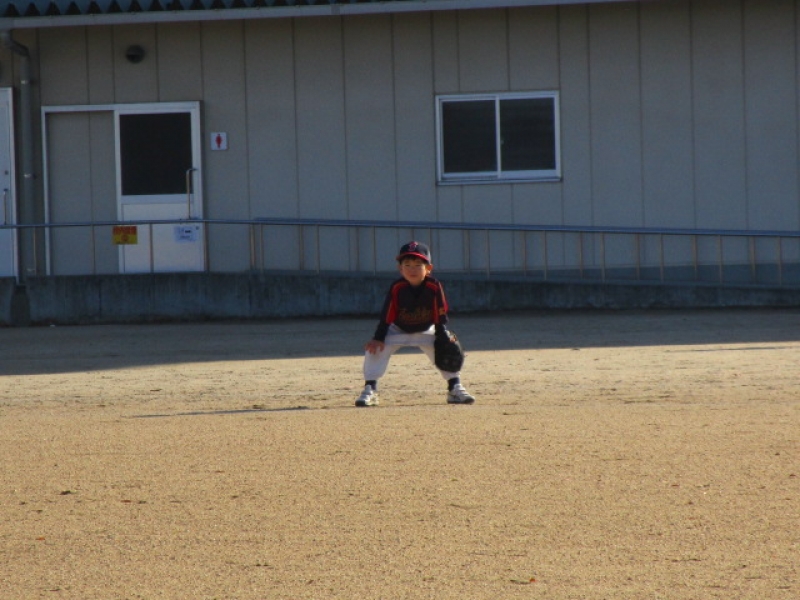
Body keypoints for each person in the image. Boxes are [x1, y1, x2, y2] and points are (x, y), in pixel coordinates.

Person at [355, 241, 476, 407]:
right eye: (407, 265)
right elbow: (386, 315)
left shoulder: (434, 286)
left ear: (429, 268)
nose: (412, 269)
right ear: (400, 268)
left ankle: (454, 388)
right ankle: (370, 389)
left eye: (418, 265)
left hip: (426, 330)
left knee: (448, 346)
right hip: (398, 329)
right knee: (375, 348)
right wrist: (378, 338)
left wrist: (443, 337)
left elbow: (440, 315)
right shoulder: (397, 287)